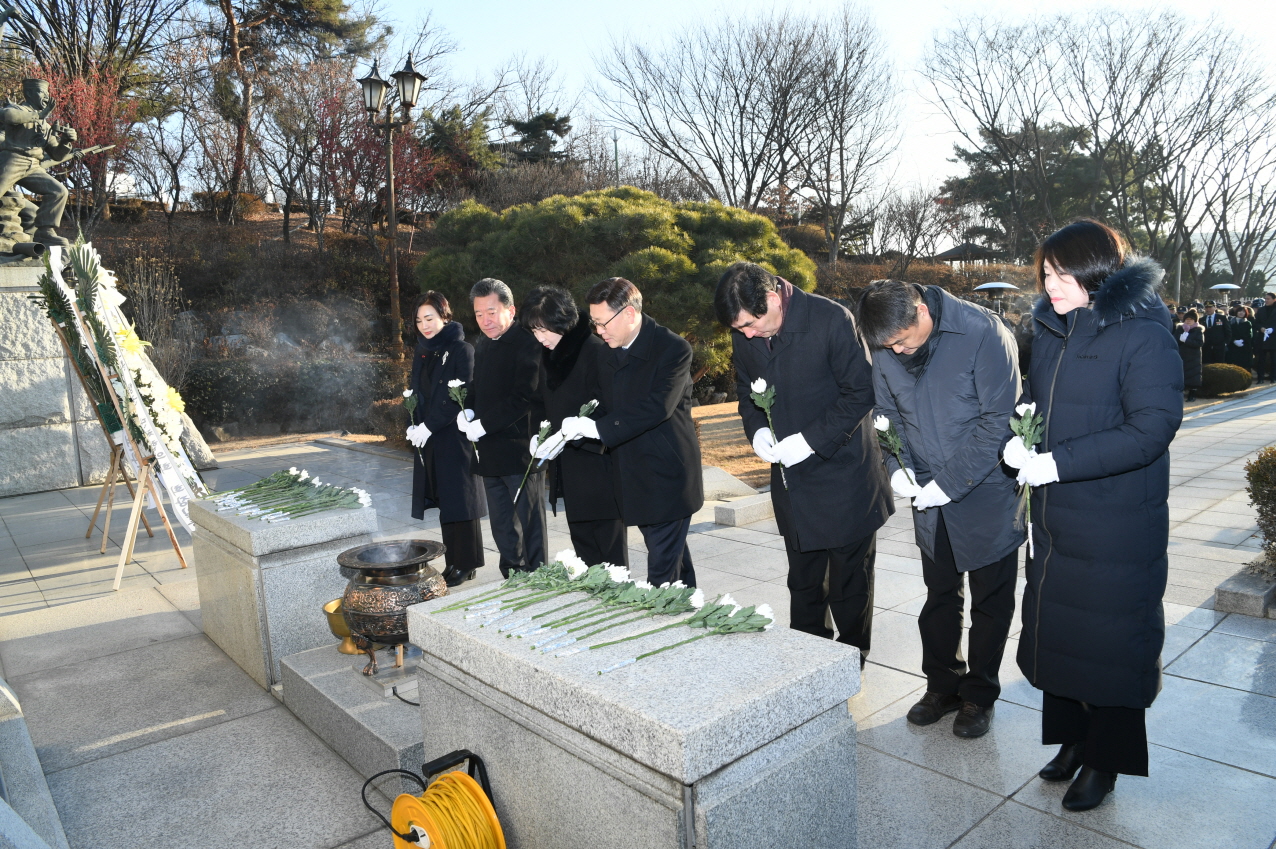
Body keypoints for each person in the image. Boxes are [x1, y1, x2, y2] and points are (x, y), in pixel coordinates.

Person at [1004, 219, 1182, 812]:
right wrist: (1021, 436)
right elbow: (1039, 394)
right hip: (1057, 518)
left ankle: (1107, 760)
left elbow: (1152, 427)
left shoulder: (1143, 332)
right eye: (1046, 273)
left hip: (1114, 519)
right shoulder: (1053, 328)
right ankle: (1073, 741)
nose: (1049, 285)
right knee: (1061, 634)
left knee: (1109, 643)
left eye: (1061, 273)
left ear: (1096, 271)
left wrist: (1060, 462)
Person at [857, 279, 1024, 739]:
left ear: (921, 310)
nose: (896, 351)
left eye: (901, 341)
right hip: (928, 492)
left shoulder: (983, 333)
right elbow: (885, 415)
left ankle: (979, 694)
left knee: (990, 600)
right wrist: (897, 468)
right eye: (886, 346)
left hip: (986, 490)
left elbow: (999, 421)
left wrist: (949, 485)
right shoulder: (886, 342)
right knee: (939, 595)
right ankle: (943, 684)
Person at [714, 262, 893, 665]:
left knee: (851, 582)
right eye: (739, 329)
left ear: (773, 299)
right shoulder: (746, 331)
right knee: (804, 580)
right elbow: (746, 391)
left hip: (844, 472)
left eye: (750, 324)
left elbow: (860, 391)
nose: (746, 335)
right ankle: (806, 659)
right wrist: (757, 428)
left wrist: (811, 440)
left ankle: (850, 659)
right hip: (793, 480)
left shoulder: (830, 319)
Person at [559, 277, 703, 587]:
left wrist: (597, 428)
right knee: (672, 557)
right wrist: (570, 427)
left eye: (602, 322)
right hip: (632, 473)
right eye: (594, 324)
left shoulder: (672, 348)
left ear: (628, 313)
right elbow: (604, 402)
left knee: (662, 576)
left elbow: (657, 406)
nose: (599, 331)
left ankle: (659, 626)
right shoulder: (608, 350)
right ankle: (690, 604)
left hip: (666, 474)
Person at [520, 286, 627, 567]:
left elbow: (608, 406)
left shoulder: (595, 351)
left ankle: (617, 602)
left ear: (562, 322)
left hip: (598, 467)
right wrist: (538, 435)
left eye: (544, 330)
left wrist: (575, 432)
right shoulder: (550, 353)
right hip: (568, 468)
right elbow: (539, 400)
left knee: (608, 548)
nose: (539, 338)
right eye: (534, 331)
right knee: (582, 543)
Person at [455, 278, 547, 577]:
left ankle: (537, 577)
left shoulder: (528, 342)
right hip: (489, 452)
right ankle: (511, 573)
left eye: (492, 312)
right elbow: (479, 386)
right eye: (479, 314)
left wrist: (483, 424)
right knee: (501, 522)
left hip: (520, 450)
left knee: (529, 522)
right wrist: (466, 407)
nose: (485, 320)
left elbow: (524, 397)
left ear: (511, 310)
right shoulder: (483, 345)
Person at [408, 292, 486, 586]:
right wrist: (412, 422)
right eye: (419, 320)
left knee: (461, 501)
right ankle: (455, 560)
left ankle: (466, 563)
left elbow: (461, 396)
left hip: (453, 435)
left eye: (429, 318)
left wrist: (429, 425)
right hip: (431, 439)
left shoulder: (461, 349)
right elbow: (415, 391)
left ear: (445, 316)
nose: (424, 325)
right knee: (445, 500)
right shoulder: (423, 351)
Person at [0, 79, 79, 247]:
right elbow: (8, 116)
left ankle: (45, 233)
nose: (46, 97)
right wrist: (39, 115)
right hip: (13, 159)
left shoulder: (44, 125)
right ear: (29, 93)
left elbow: (56, 155)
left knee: (59, 191)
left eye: (47, 93)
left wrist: (65, 141)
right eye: (42, 93)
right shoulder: (18, 109)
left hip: (33, 166)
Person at [1175, 309, 1203, 402]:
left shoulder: (1198, 330)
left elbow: (1199, 342)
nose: (1189, 321)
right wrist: (1181, 339)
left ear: (1195, 320)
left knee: (1194, 375)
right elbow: (1175, 340)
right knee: (1182, 374)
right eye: (1187, 319)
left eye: (1191, 319)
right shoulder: (1180, 328)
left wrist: (1187, 340)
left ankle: (1192, 394)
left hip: (1194, 356)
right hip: (1182, 355)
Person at [1255, 293, 1276, 383]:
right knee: (1261, 360)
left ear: (1274, 299)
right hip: (1262, 338)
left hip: (1274, 338)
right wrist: (1261, 328)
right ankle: (1260, 378)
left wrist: (1273, 329)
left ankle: (1273, 377)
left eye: (1268, 299)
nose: (1266, 300)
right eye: (1265, 299)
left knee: (1274, 359)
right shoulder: (1261, 310)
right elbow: (1256, 323)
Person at [1226, 306, 1253, 373]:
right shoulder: (1231, 322)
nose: (1241, 313)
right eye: (1240, 311)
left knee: (1244, 364)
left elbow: (1249, 334)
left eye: (1243, 311)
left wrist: (1242, 340)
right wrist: (1234, 340)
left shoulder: (1247, 323)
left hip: (1244, 346)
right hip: (1233, 346)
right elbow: (1228, 333)